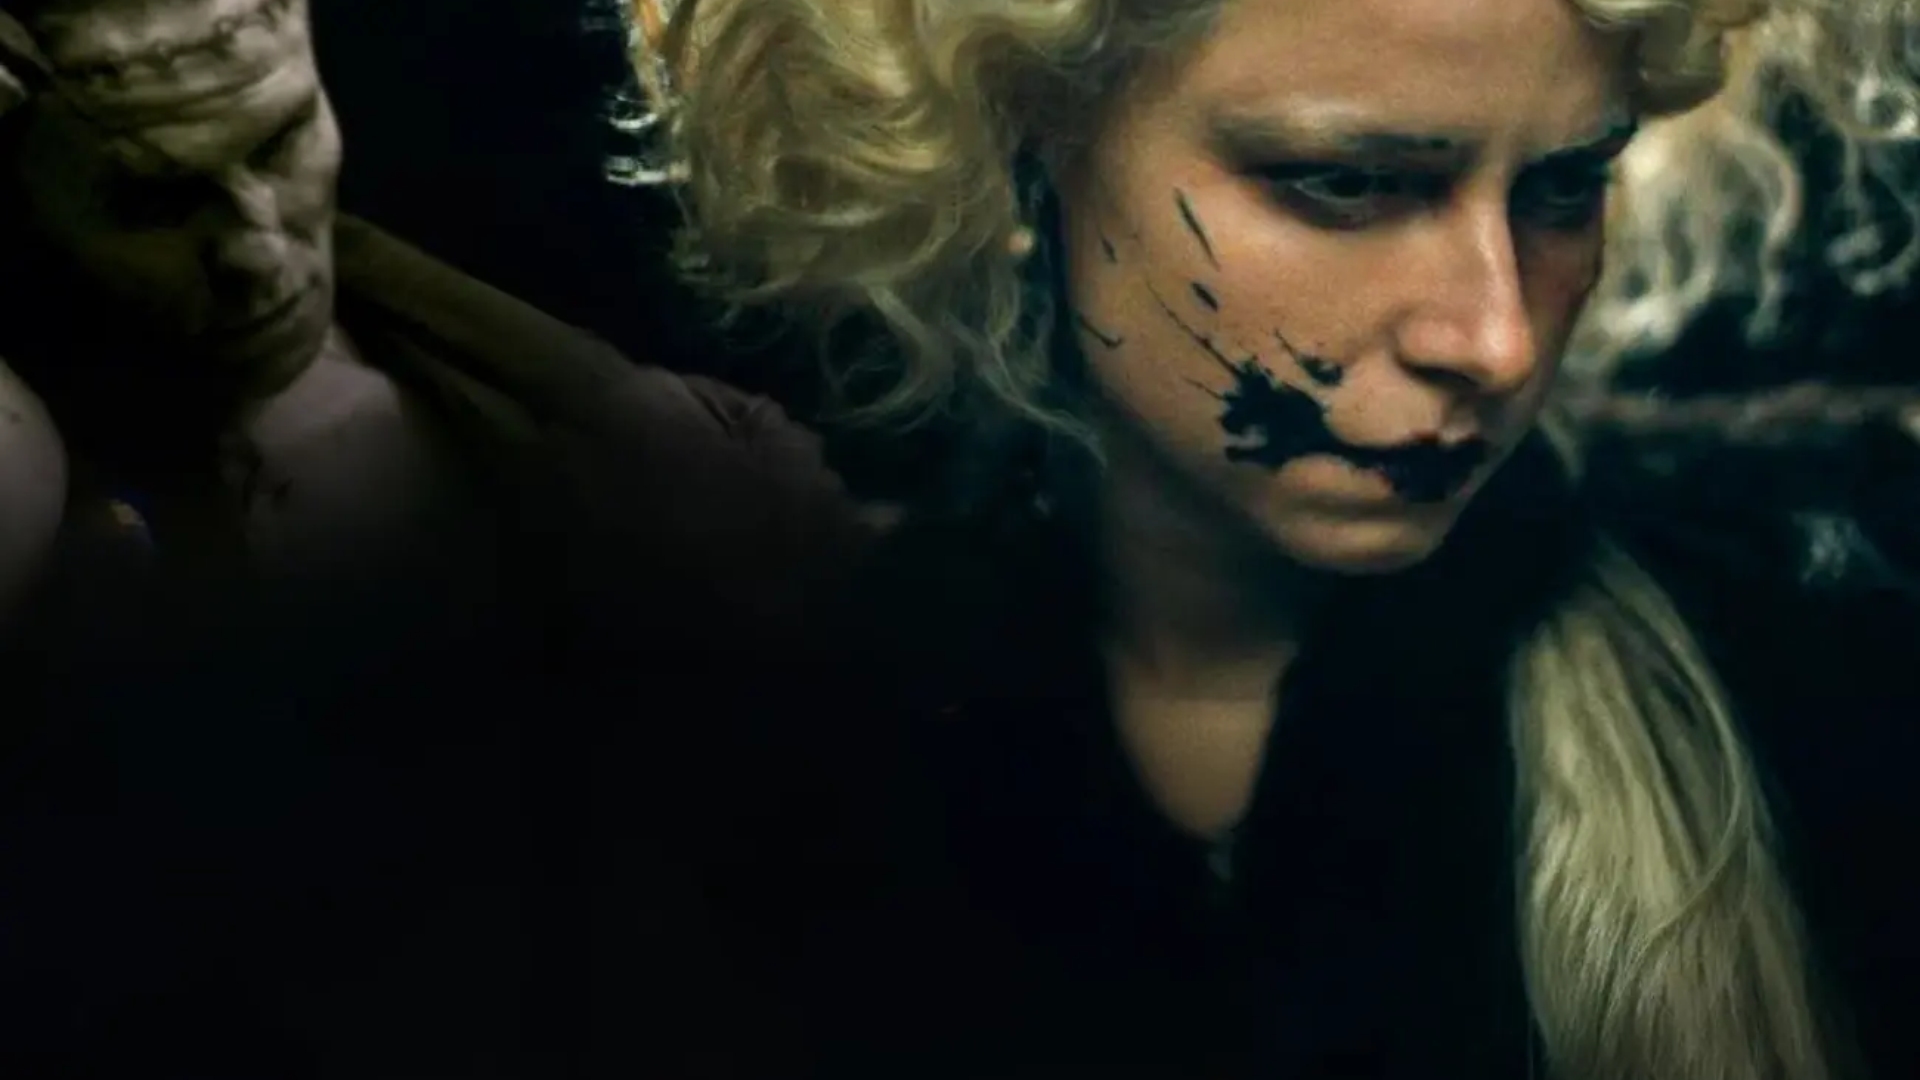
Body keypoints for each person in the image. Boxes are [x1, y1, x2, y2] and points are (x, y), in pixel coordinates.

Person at [580, 0, 1920, 1077]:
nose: (1496, 339)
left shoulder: (1833, 625)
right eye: (1346, 182)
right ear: (1020, 142)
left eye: (1565, 188)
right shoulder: (751, 747)